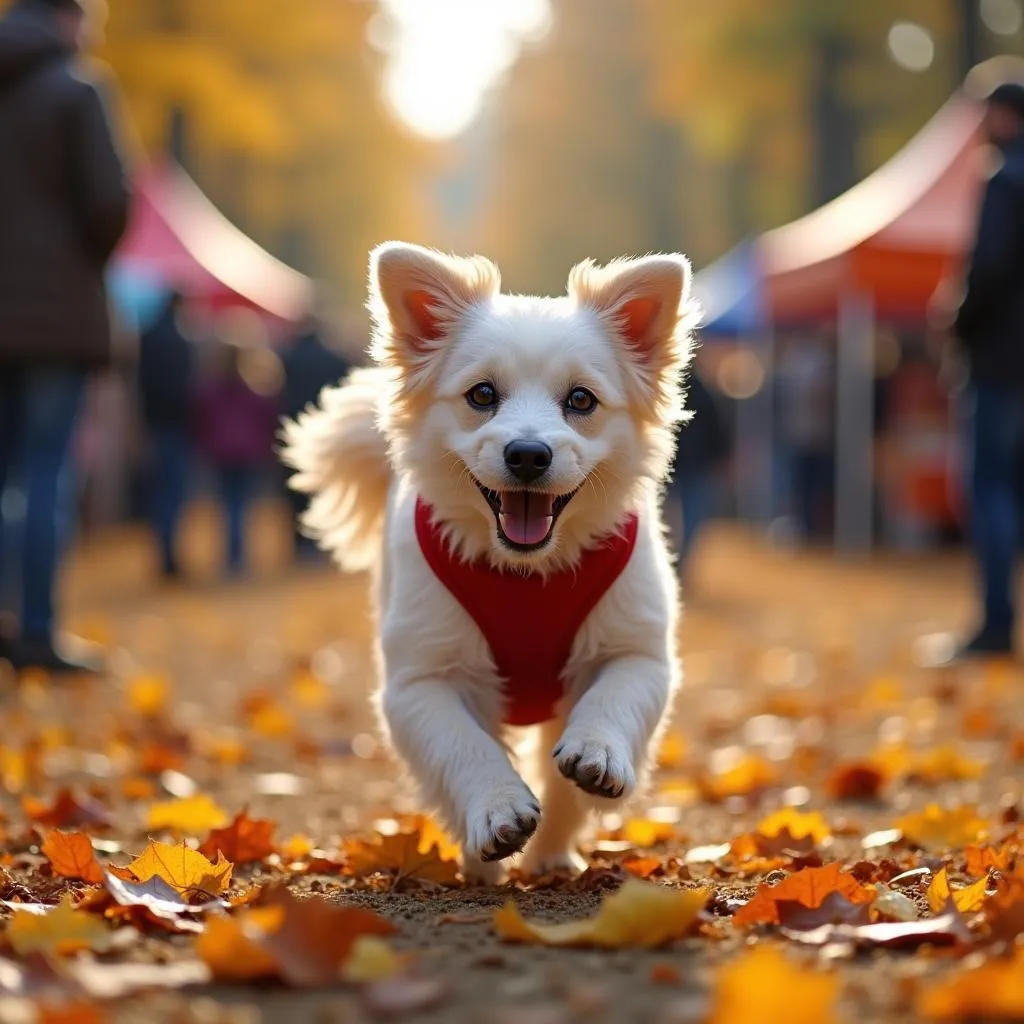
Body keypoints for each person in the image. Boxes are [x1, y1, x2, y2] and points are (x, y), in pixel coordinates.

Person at [0, 0, 129, 673]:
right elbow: (109, 202)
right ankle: (36, 632)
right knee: (44, 472)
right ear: (68, 18)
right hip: (53, 318)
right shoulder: (78, 90)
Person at [952, 80, 1024, 658]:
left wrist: (955, 321)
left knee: (991, 488)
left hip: (1000, 365)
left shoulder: (1005, 179)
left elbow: (989, 269)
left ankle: (997, 624)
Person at [193, 342, 279, 577]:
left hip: (221, 453)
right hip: (248, 453)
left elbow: (201, 419)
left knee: (226, 504)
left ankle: (231, 555)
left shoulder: (210, 390)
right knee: (242, 504)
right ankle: (238, 555)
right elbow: (267, 418)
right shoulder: (255, 388)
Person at [280, 314, 350, 559]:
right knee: (325, 486)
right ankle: (320, 541)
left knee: (295, 488)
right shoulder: (333, 358)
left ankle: (299, 543)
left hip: (292, 427)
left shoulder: (287, 357)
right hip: (328, 428)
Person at [137, 291, 193, 580]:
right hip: (176, 426)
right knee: (172, 494)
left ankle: (164, 555)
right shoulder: (180, 340)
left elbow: (140, 383)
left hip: (155, 424)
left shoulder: (148, 336)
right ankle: (169, 557)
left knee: (161, 493)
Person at [668, 369, 731, 581]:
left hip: (678, 464)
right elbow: (717, 426)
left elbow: (716, 427)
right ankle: (676, 564)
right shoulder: (703, 388)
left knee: (670, 518)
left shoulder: (669, 388)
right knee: (691, 518)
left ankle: (674, 564)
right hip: (689, 464)